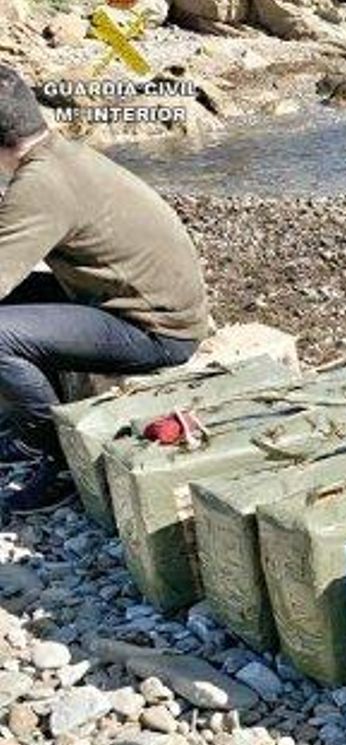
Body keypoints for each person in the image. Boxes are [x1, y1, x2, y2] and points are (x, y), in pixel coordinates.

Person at [0, 65, 210, 515]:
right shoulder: (59, 156)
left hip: (157, 331)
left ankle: (55, 461)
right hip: (130, 301)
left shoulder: (40, 185)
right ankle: (29, 431)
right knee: (17, 306)